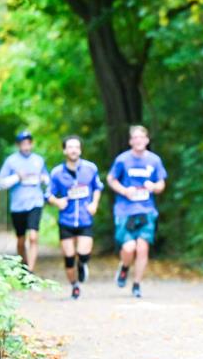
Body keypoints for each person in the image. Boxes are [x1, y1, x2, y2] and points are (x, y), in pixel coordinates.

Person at [107, 125, 167, 299]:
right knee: (129, 248)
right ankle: (125, 267)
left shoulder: (154, 160)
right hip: (125, 210)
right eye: (135, 138)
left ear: (147, 140)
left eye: (142, 137)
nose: (139, 140)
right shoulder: (122, 160)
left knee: (142, 248)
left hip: (147, 209)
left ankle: (137, 284)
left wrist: (154, 187)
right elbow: (111, 179)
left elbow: (161, 184)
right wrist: (124, 190)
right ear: (130, 141)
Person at [46, 135, 104, 300]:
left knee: (83, 254)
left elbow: (98, 187)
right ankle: (75, 286)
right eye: (70, 147)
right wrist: (57, 202)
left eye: (76, 147)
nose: (73, 150)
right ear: (64, 150)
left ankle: (82, 264)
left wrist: (94, 204)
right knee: (69, 257)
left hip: (85, 218)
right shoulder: (57, 173)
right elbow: (47, 194)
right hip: (66, 220)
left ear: (80, 150)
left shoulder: (90, 168)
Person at [0, 130, 50, 272]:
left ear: (32, 144)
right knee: (21, 240)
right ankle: (24, 266)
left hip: (35, 202)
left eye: (28, 143)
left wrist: (44, 179)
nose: (26, 146)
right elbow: (0, 183)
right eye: (23, 144)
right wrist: (16, 178)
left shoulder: (39, 160)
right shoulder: (11, 161)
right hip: (18, 205)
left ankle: (31, 271)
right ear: (18, 145)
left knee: (33, 237)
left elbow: (48, 179)